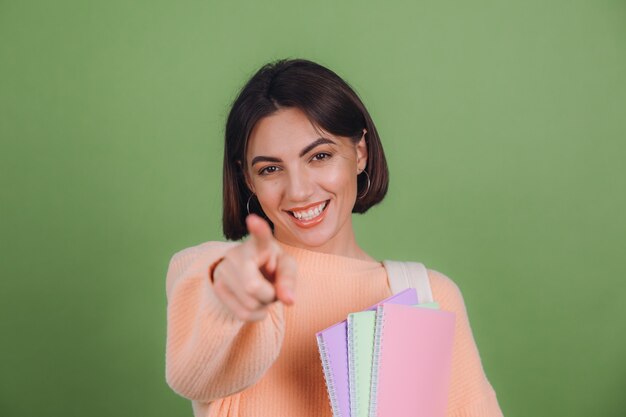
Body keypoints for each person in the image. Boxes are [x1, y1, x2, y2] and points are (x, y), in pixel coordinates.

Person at [165, 58, 503, 417]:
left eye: (320, 156)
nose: (298, 191)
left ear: (360, 153)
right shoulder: (210, 271)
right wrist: (231, 294)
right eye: (271, 169)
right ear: (248, 179)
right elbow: (192, 371)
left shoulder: (427, 297)